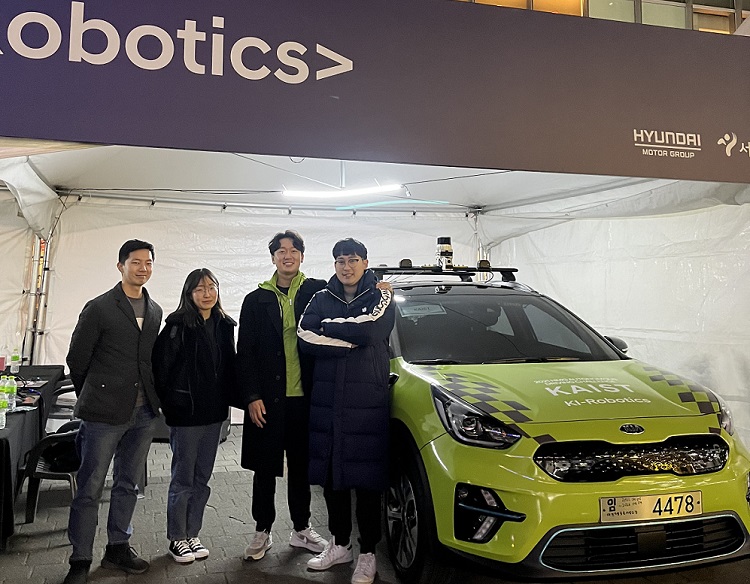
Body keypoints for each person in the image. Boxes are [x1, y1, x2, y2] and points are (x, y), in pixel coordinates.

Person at [63, 240, 162, 584]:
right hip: (102, 414)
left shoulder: (155, 310)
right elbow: (77, 359)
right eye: (136, 262)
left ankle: (118, 546)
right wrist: (92, 396)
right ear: (120, 266)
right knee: (90, 486)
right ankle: (80, 557)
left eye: (148, 262)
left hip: (143, 414)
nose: (143, 268)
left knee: (128, 484)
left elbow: (148, 360)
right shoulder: (100, 308)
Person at [297, 237, 395, 584]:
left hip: (366, 400)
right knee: (332, 478)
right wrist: (349, 340)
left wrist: (332, 327)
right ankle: (340, 545)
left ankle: (368, 553)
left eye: (353, 260)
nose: (347, 266)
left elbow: (373, 330)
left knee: (367, 480)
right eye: (340, 260)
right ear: (334, 264)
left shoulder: (382, 294)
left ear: (365, 262)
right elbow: (305, 335)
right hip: (326, 399)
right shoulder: (321, 297)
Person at [236, 230, 328, 561]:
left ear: (302, 256)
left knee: (302, 465)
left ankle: (301, 529)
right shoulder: (256, 299)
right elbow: (244, 353)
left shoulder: (318, 292)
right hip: (268, 399)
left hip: (306, 397)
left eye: (293, 250)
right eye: (280, 251)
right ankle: (262, 531)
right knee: (264, 467)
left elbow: (353, 286)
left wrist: (379, 287)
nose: (287, 255)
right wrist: (251, 396)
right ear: (272, 257)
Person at [152, 268, 236, 564]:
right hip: (185, 416)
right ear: (189, 293)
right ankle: (177, 537)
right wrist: (169, 404)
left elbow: (229, 366)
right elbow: (161, 369)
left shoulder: (225, 325)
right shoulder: (177, 326)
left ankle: (192, 533)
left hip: (214, 414)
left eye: (211, 287)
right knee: (182, 477)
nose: (207, 293)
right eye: (200, 288)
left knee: (202, 477)